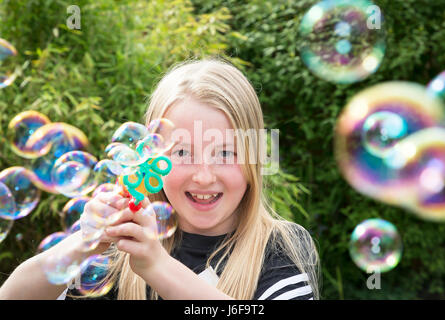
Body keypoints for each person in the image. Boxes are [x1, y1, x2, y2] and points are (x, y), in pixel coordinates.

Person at [0, 58, 320, 300]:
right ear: (152, 158)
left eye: (225, 153)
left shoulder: (281, 248)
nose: (204, 175)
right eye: (181, 153)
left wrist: (158, 268)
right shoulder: (122, 249)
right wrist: (85, 243)